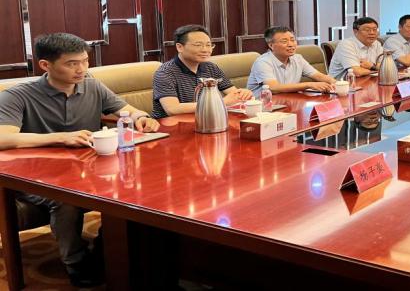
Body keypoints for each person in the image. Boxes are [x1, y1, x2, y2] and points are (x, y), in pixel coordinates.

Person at [0, 33, 160, 287]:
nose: (81, 69)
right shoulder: (18, 95)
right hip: (35, 174)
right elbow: (3, 138)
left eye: (85, 61)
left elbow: (126, 110)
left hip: (88, 167)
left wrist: (141, 117)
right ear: (45, 65)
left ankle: (109, 245)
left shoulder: (92, 85)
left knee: (139, 181)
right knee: (66, 200)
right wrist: (61, 138)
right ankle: (75, 262)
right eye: (72, 63)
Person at [152, 25, 252, 118]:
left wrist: (242, 94)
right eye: (198, 45)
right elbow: (173, 109)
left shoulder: (210, 67)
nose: (205, 50)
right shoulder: (165, 73)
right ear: (180, 47)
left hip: (205, 119)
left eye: (209, 45)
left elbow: (234, 94)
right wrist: (222, 102)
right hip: (171, 126)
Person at [247, 26, 336, 96]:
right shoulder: (263, 62)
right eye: (284, 41)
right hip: (263, 106)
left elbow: (318, 76)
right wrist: (309, 85)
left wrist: (336, 84)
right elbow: (273, 88)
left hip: (288, 101)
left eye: (293, 40)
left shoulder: (298, 58)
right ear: (271, 45)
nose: (290, 44)